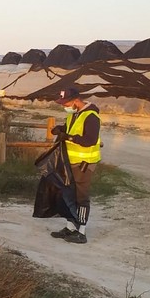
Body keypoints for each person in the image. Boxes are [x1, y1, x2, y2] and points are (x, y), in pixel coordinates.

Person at [49, 86, 101, 244]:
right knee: (68, 195)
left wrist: (68, 137)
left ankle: (82, 232)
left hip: (84, 164)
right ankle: (70, 227)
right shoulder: (75, 114)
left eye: (66, 103)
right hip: (70, 162)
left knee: (81, 197)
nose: (64, 106)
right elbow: (70, 129)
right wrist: (60, 130)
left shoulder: (91, 116)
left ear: (76, 101)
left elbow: (90, 140)